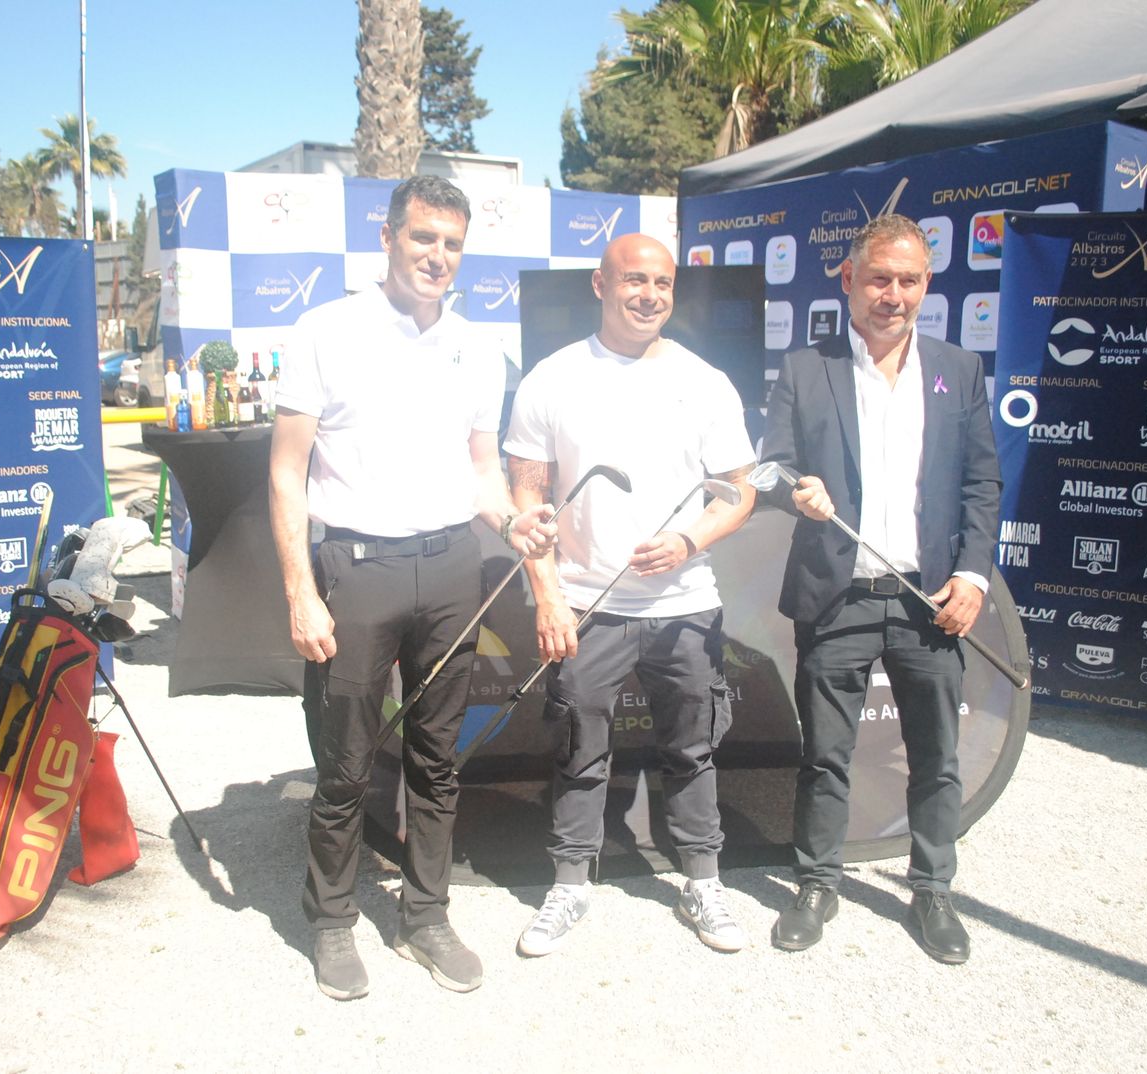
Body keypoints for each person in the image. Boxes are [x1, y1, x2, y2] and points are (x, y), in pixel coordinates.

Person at [270, 175, 556, 1000]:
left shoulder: (476, 345)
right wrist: (300, 590)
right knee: (347, 762)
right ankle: (329, 919)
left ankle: (425, 914)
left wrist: (512, 524)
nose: (438, 256)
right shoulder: (327, 330)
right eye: (423, 238)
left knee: (438, 757)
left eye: (453, 244)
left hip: (451, 571)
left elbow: (480, 471)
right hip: (357, 570)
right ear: (389, 237)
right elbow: (287, 474)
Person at [503, 233, 757, 957]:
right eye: (634, 281)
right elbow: (527, 494)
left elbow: (740, 491)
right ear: (600, 284)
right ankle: (571, 884)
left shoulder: (704, 380)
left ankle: (703, 881)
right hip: (587, 604)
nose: (649, 296)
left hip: (685, 605)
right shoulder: (551, 380)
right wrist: (548, 595)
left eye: (663, 283)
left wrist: (689, 543)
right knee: (580, 751)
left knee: (694, 749)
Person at [760, 213, 1001, 964]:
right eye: (879, 279)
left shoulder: (957, 369)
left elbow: (980, 483)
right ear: (849, 281)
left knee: (935, 755)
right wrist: (792, 489)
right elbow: (770, 466)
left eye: (909, 280)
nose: (893, 295)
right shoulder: (807, 368)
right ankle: (817, 883)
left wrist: (971, 575)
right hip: (839, 596)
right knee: (827, 754)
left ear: (926, 285)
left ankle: (932, 889)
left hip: (928, 602)